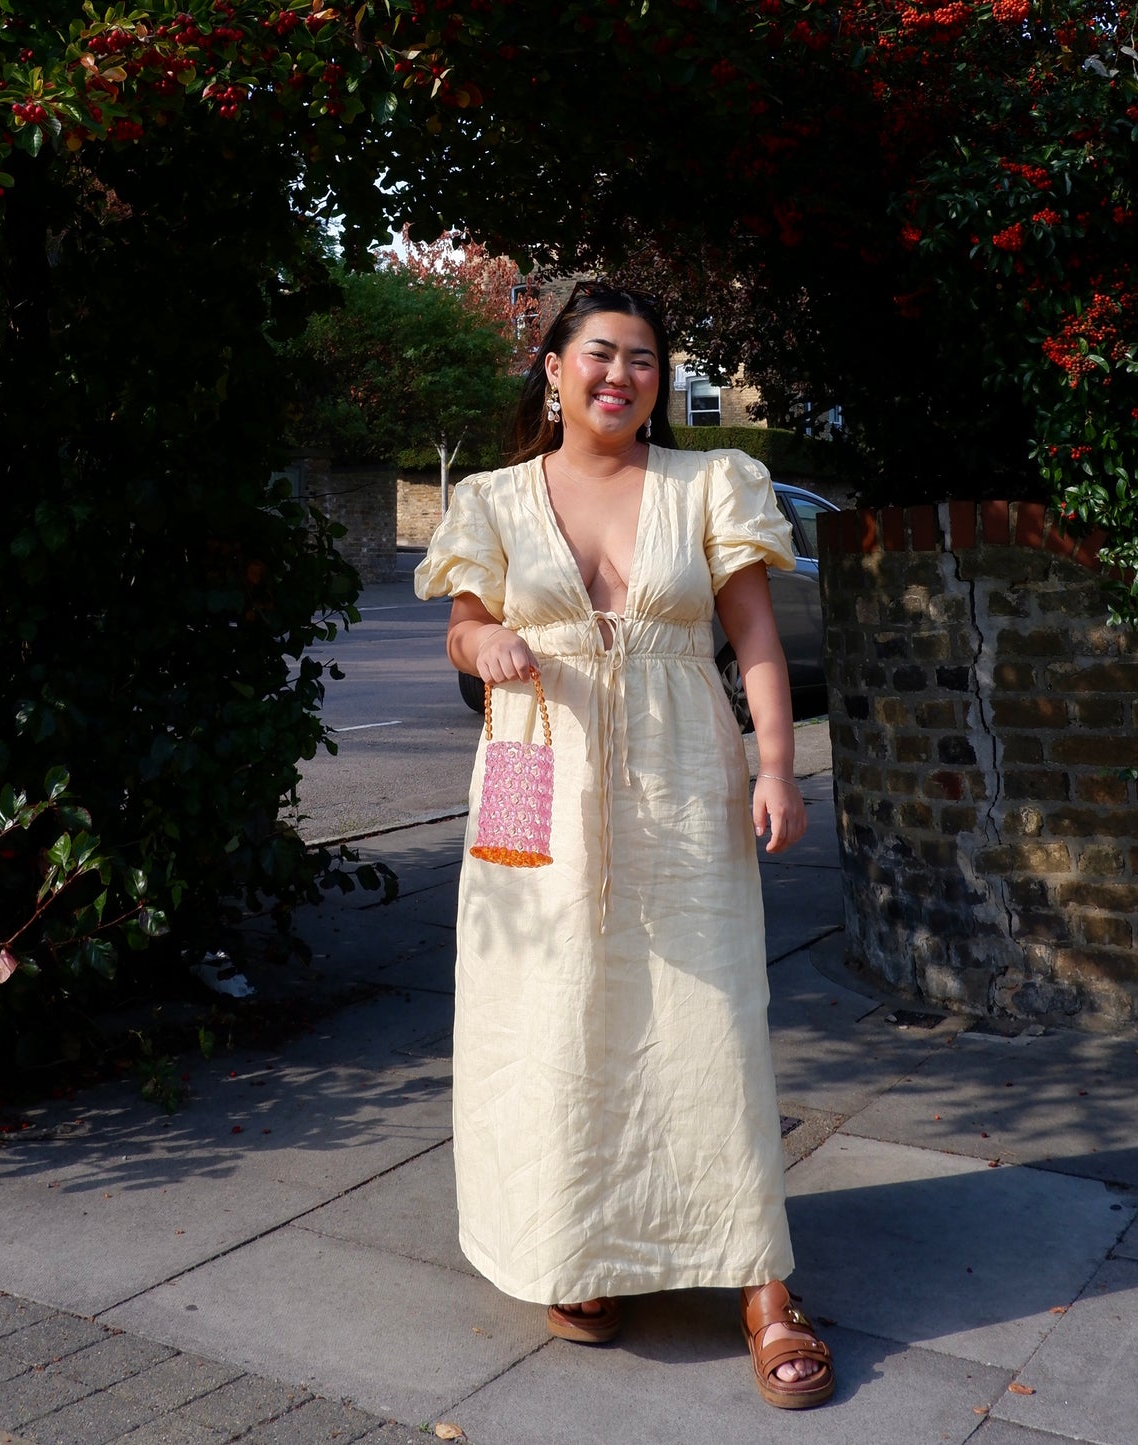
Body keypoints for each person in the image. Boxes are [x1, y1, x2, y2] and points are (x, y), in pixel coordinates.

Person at [413, 281, 834, 1410]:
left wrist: (778, 766)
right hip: (530, 772)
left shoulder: (711, 481)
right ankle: (580, 1246)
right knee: (545, 1016)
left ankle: (760, 1282)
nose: (620, 374)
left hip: (682, 772)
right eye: (598, 353)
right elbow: (457, 621)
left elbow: (751, 634)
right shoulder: (494, 498)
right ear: (550, 368)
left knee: (708, 1020)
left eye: (643, 358)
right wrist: (483, 635)